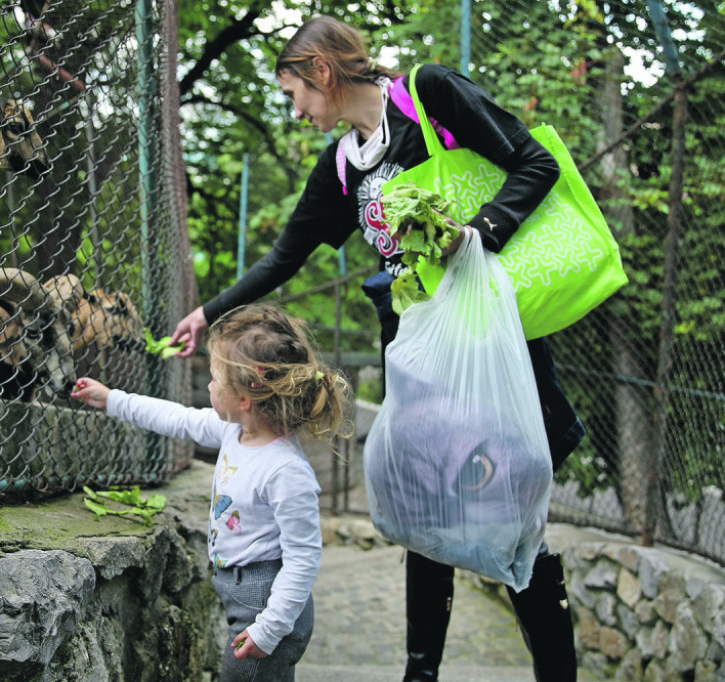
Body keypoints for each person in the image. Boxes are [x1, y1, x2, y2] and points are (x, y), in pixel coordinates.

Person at [169, 15, 585, 682]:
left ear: (322, 70)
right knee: (426, 517)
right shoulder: (341, 164)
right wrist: (207, 312)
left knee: (513, 519)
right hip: (419, 364)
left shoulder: (430, 97)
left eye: (294, 93)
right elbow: (285, 255)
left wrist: (475, 236)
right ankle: (420, 675)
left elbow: (536, 163)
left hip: (488, 351)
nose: (295, 111)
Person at [73, 304, 353, 682]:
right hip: (246, 597)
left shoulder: (286, 470)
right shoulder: (234, 432)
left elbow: (303, 557)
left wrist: (269, 629)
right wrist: (113, 399)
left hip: (267, 607)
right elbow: (177, 418)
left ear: (246, 397)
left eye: (215, 379)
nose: (208, 386)